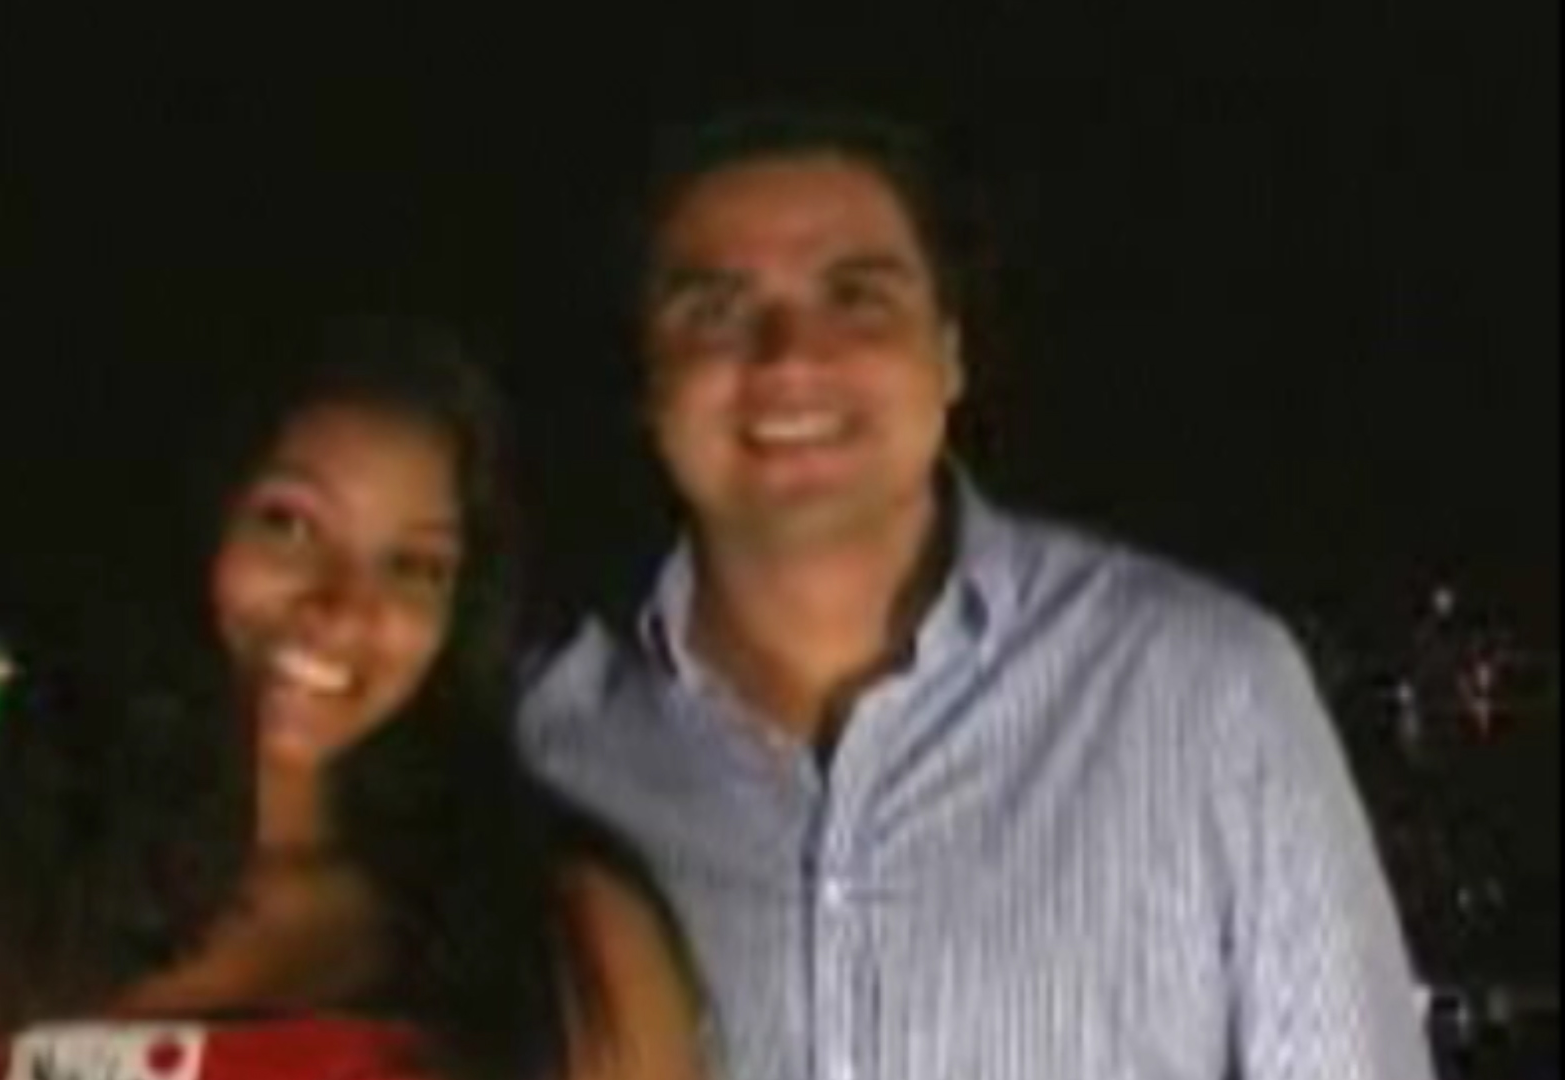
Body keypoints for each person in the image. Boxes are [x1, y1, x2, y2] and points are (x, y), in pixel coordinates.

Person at [519, 111, 1436, 1079]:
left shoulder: (1206, 693)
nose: (790, 357)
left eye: (856, 297)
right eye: (715, 310)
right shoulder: (542, 749)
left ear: (950, 354)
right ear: (647, 381)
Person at [0, 317, 706, 1080]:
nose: (345, 609)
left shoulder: (563, 938)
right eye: (288, 525)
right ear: (189, 520)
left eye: (414, 567)